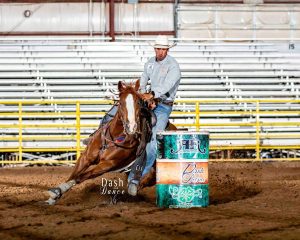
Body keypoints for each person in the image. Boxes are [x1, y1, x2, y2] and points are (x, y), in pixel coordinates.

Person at [127, 35, 181, 195]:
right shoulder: (150, 62)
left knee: (153, 141)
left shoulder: (173, 67)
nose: (161, 52)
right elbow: (143, 78)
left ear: (167, 50)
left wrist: (153, 95)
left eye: (163, 49)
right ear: (155, 49)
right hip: (148, 101)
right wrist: (143, 92)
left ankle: (136, 178)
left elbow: (167, 86)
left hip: (163, 106)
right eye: (158, 49)